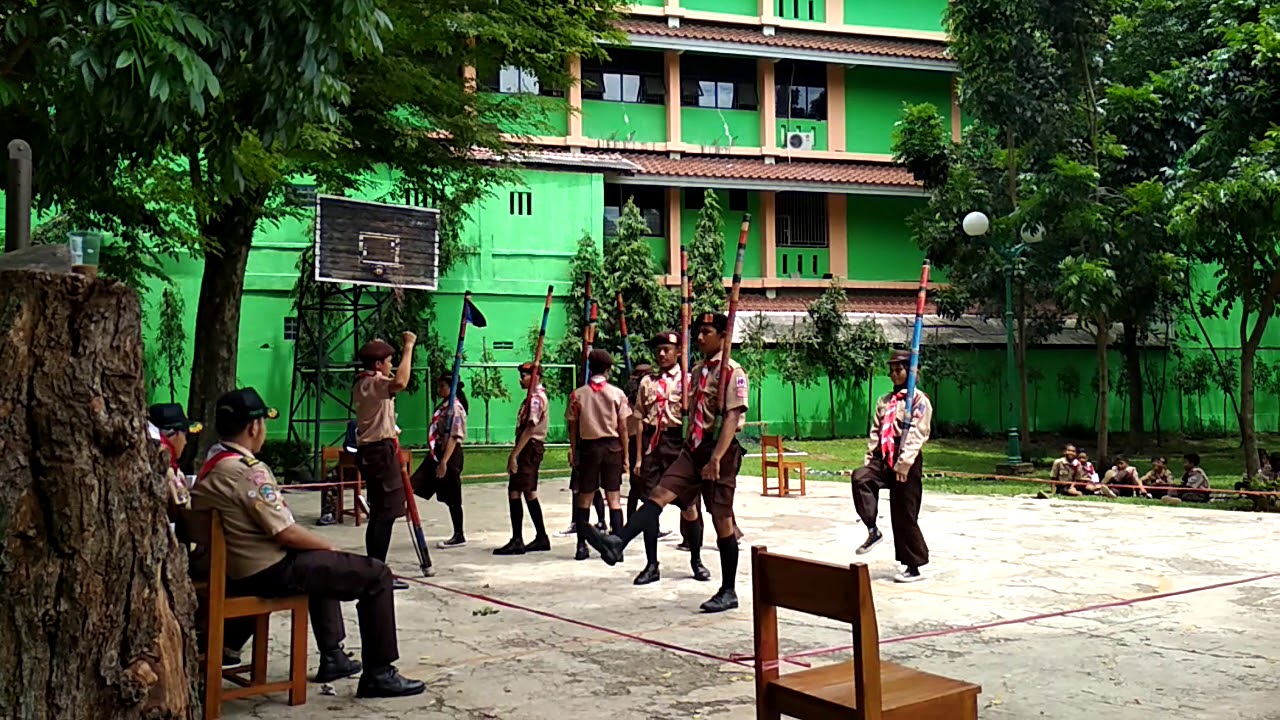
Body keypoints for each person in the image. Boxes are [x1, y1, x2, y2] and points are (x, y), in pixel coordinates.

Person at [189, 387, 424, 697]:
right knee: (376, 574)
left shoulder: (211, 465)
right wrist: (328, 546)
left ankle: (333, 656)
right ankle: (379, 672)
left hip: (237, 568)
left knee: (319, 567)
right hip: (268, 569)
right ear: (254, 427)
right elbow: (284, 532)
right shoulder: (247, 472)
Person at [582, 313, 747, 613]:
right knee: (657, 494)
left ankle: (728, 589)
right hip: (691, 449)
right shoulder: (698, 371)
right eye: (698, 332)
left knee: (721, 520)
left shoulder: (731, 372)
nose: (699, 337)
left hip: (717, 452)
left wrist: (717, 458)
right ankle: (618, 541)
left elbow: (733, 418)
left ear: (723, 335)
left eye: (706, 332)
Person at [628, 331, 711, 586]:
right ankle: (651, 564)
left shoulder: (688, 381)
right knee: (651, 505)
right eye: (659, 350)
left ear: (678, 353)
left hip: (679, 444)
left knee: (689, 507)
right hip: (654, 445)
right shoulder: (646, 383)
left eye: (667, 350)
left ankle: (696, 559)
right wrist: (639, 458)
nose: (662, 354)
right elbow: (639, 419)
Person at [853, 349, 933, 584]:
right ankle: (872, 529)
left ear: (911, 371)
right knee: (861, 477)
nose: (893, 375)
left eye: (898, 370)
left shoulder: (919, 401)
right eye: (891, 371)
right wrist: (869, 460)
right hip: (883, 459)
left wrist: (904, 463)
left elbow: (918, 434)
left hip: (906, 461)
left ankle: (914, 565)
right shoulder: (885, 401)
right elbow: (875, 433)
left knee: (904, 514)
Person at [352, 334, 420, 586]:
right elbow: (401, 382)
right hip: (379, 452)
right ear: (378, 365)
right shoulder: (372, 383)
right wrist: (408, 347)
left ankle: (375, 568)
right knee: (385, 513)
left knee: (384, 512)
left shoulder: (367, 383)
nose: (391, 366)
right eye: (389, 362)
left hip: (380, 449)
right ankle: (377, 572)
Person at [565, 349, 631, 561]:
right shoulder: (617, 394)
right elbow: (623, 428)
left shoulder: (578, 394)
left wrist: (574, 451)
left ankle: (581, 546)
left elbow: (572, 427)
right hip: (612, 448)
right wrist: (626, 456)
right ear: (609, 369)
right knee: (614, 498)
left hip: (589, 448)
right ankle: (617, 547)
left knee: (584, 497)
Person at [494, 362, 552, 555]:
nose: (521, 380)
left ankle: (517, 539)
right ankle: (541, 536)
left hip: (529, 447)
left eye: (524, 376)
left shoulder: (535, 399)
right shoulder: (533, 397)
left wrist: (514, 455)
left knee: (515, 490)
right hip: (531, 447)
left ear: (534, 377)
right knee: (529, 491)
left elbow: (530, 427)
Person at [411, 377, 469, 548]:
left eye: (442, 386)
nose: (439, 389)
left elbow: (454, 437)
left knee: (453, 495)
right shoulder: (445, 407)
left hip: (449, 456)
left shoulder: (455, 409)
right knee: (416, 482)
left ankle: (459, 535)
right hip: (438, 453)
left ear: (451, 388)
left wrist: (444, 462)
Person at [149, 403, 202, 512]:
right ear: (175, 435)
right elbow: (184, 509)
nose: (186, 442)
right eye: (185, 435)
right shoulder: (166, 470)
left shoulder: (152, 459)